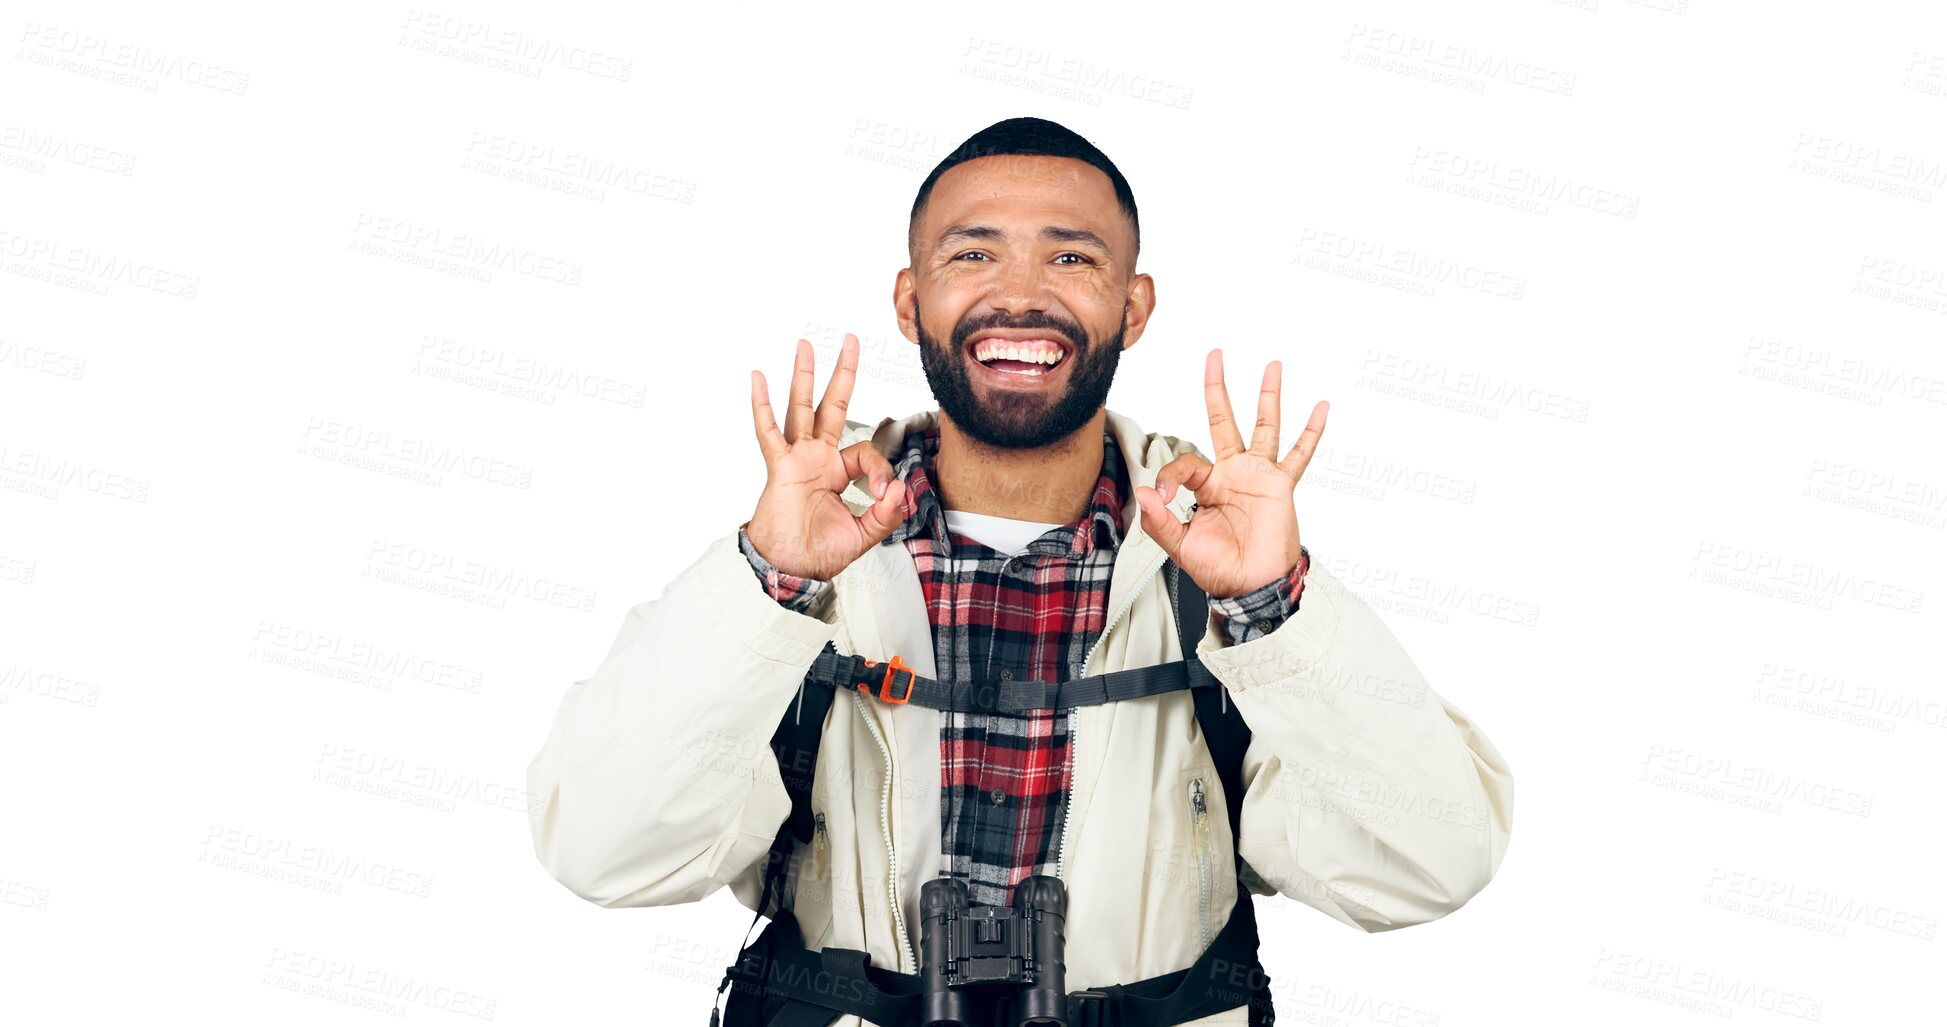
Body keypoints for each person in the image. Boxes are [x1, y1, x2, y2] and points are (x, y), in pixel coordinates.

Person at [525, 117, 1514, 1027]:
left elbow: (1430, 868)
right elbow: (604, 853)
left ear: (1133, 308)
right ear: (912, 302)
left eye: (1071, 256)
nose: (1022, 292)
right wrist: (767, 583)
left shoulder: (1205, 583)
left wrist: (1273, 607)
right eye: (973, 253)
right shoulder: (808, 568)